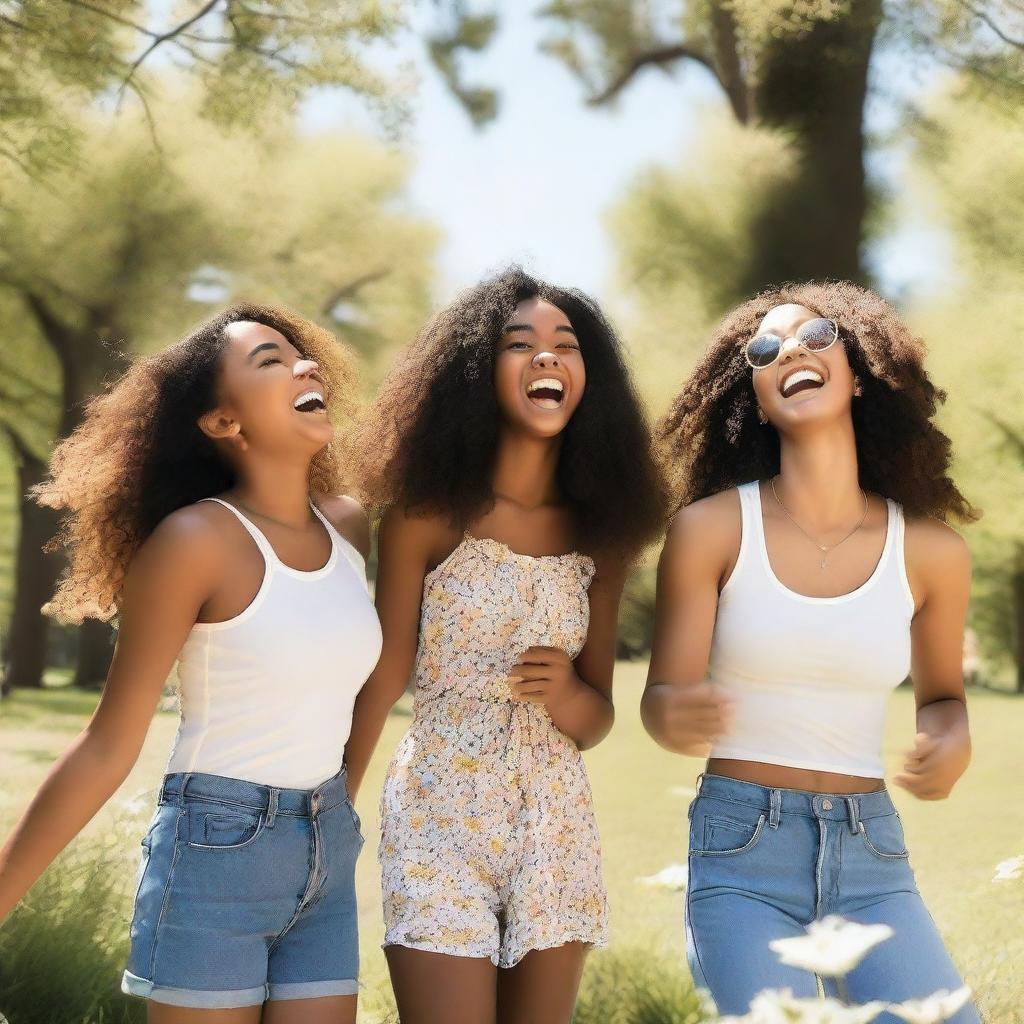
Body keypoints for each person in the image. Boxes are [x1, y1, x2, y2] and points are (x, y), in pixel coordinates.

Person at [0, 305, 382, 1023]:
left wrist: (337, 813)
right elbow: (108, 744)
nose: (306, 365)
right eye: (270, 360)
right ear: (223, 423)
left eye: (304, 356)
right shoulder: (195, 540)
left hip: (326, 849)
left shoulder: (349, 525)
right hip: (216, 852)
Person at [645, 282, 981, 1020]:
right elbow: (663, 699)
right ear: (759, 402)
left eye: (815, 335)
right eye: (764, 350)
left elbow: (944, 699)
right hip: (742, 853)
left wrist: (949, 742)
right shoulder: (710, 531)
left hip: (873, 859)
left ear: (858, 374)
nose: (789, 349)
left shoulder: (931, 553)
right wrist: (676, 713)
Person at [343, 268, 667, 1024]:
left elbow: (595, 722)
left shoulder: (602, 535)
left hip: (555, 819)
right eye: (519, 344)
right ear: (474, 375)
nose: (546, 357)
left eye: (567, 345)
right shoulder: (425, 517)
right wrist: (332, 809)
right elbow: (385, 677)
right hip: (437, 813)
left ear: (592, 377)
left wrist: (564, 694)